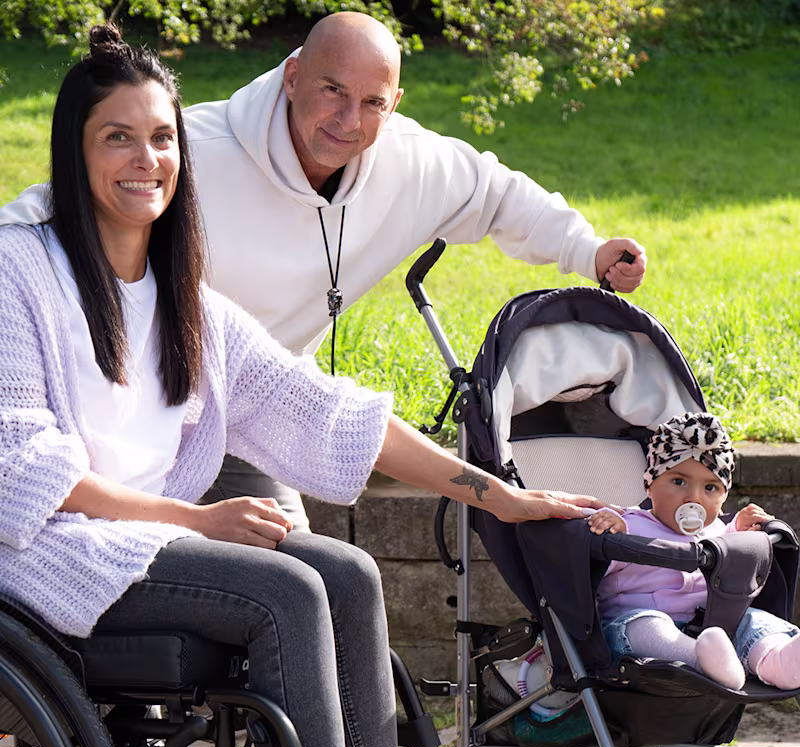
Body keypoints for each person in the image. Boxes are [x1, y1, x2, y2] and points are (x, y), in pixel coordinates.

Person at [0, 26, 612, 747]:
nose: (146, 160)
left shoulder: (182, 299)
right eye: (117, 138)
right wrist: (193, 522)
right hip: (45, 552)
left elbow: (326, 414)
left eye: (160, 138)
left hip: (139, 541)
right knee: (284, 590)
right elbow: (21, 467)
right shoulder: (19, 267)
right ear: (74, 150)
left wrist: (499, 492)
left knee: (349, 573)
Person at [0, 11, 649, 531]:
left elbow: (497, 194)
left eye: (372, 102)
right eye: (331, 92)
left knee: (309, 571)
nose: (348, 121)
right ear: (291, 76)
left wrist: (586, 250)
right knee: (284, 596)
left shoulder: (410, 162)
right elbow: (62, 202)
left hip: (255, 409)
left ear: (394, 103)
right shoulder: (186, 151)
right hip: (131, 414)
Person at [587, 412, 800, 692]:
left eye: (710, 487)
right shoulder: (628, 524)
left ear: (723, 497)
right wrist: (607, 531)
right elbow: (592, 566)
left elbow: (732, 552)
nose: (693, 497)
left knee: (753, 620)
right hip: (640, 625)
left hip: (713, 625)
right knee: (645, 627)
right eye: (679, 482)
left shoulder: (718, 531)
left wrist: (742, 531)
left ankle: (778, 659)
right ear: (649, 484)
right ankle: (701, 660)